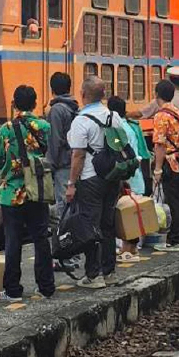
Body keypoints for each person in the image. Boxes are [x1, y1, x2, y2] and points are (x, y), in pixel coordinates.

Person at [0, 85, 56, 300]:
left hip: (11, 193)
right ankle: (46, 286)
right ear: (35, 104)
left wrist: (8, 171)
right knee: (41, 238)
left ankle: (13, 290)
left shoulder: (6, 129)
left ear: (14, 103)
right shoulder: (44, 127)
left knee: (13, 241)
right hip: (37, 190)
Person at [66, 76, 124, 289]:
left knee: (90, 226)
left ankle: (93, 274)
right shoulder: (113, 116)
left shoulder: (81, 120)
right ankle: (109, 271)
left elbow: (78, 156)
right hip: (111, 177)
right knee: (108, 225)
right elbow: (118, 144)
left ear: (83, 95)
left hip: (90, 179)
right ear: (103, 95)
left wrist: (71, 183)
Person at [109, 95, 149, 260]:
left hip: (126, 176)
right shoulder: (131, 126)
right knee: (133, 212)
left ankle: (127, 249)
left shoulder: (118, 129)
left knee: (125, 214)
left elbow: (119, 147)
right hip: (136, 174)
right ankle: (132, 248)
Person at [152, 79, 179, 251]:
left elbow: (159, 144)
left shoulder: (161, 115)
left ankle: (174, 240)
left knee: (173, 200)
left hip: (170, 162)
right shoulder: (178, 112)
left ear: (156, 94)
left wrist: (157, 169)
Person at [46, 72, 79, 220]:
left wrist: (50, 166)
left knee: (64, 206)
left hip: (63, 165)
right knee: (74, 206)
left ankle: (66, 239)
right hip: (75, 161)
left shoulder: (57, 110)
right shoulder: (75, 108)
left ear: (52, 89)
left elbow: (55, 140)